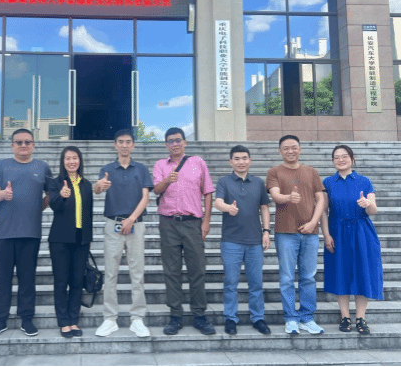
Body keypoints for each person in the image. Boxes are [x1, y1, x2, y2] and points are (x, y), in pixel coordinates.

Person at [0, 129, 52, 338]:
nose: (23, 145)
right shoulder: (2, 165)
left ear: (34, 145)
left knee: (27, 279)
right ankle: (0, 319)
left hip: (31, 232)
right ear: (12, 145)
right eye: (19, 142)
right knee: (2, 279)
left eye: (27, 142)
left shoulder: (42, 167)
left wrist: (39, 205)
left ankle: (27, 318)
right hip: (3, 233)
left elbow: (50, 194)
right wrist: (3, 194)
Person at [153, 127, 216, 336]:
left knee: (197, 270)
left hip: (192, 223)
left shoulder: (198, 162)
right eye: (170, 141)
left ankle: (199, 315)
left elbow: (208, 192)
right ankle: (175, 316)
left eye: (178, 140)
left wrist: (206, 221)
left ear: (185, 142)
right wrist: (167, 180)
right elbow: (156, 189)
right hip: (168, 223)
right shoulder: (160, 165)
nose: (175, 144)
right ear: (166, 145)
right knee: (171, 272)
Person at [94, 129, 153, 338]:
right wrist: (98, 185)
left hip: (136, 225)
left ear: (133, 145)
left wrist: (131, 219)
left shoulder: (141, 169)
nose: (124, 145)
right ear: (115, 145)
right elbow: (98, 189)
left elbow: (146, 198)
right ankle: (110, 319)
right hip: (113, 225)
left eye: (128, 142)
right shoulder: (107, 169)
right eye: (121, 142)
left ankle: (137, 318)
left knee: (137, 273)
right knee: (111, 273)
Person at [266, 135, 326, 335]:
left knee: (308, 276)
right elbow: (275, 195)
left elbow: (321, 199)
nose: (290, 151)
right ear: (280, 151)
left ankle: (307, 317)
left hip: (310, 232)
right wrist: (288, 197)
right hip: (285, 232)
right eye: (286, 148)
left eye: (293, 147)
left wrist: (313, 223)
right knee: (287, 277)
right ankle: (291, 318)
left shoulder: (311, 172)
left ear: (300, 149)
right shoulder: (274, 172)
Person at [321, 145, 383, 335]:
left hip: (362, 232)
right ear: (333, 161)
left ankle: (361, 318)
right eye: (336, 157)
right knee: (341, 272)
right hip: (337, 231)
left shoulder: (364, 181)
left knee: (363, 271)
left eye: (344, 156)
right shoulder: (328, 182)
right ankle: (345, 317)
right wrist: (326, 235)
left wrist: (368, 204)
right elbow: (323, 211)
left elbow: (373, 210)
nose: (341, 160)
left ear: (352, 158)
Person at [215, 145, 272, 336]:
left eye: (244, 158)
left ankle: (258, 318)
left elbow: (264, 207)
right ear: (231, 162)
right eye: (237, 158)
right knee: (231, 282)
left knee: (256, 282)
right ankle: (230, 318)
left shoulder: (258, 182)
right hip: (231, 241)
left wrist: (266, 231)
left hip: (255, 240)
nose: (241, 162)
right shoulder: (224, 181)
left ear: (250, 160)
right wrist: (227, 208)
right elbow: (217, 202)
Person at [48, 146, 93, 338]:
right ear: (63, 161)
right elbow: (53, 206)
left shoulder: (87, 184)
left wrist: (89, 238)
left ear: (80, 161)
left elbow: (89, 213)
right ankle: (63, 322)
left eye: (75, 158)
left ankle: (73, 320)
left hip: (81, 240)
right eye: (68, 158)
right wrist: (61, 196)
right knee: (61, 281)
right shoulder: (55, 183)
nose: (71, 161)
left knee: (77, 281)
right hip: (60, 240)